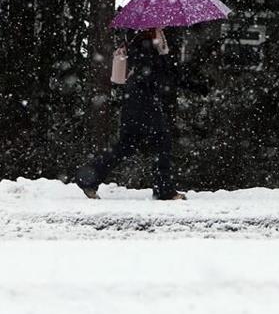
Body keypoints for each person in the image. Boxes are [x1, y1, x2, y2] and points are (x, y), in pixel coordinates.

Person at [75, 27, 208, 200]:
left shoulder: (151, 41)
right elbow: (149, 74)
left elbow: (165, 73)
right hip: (142, 100)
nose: (163, 25)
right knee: (162, 141)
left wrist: (194, 85)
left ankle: (88, 179)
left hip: (136, 100)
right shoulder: (143, 42)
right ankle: (164, 189)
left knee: (126, 145)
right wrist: (163, 76)